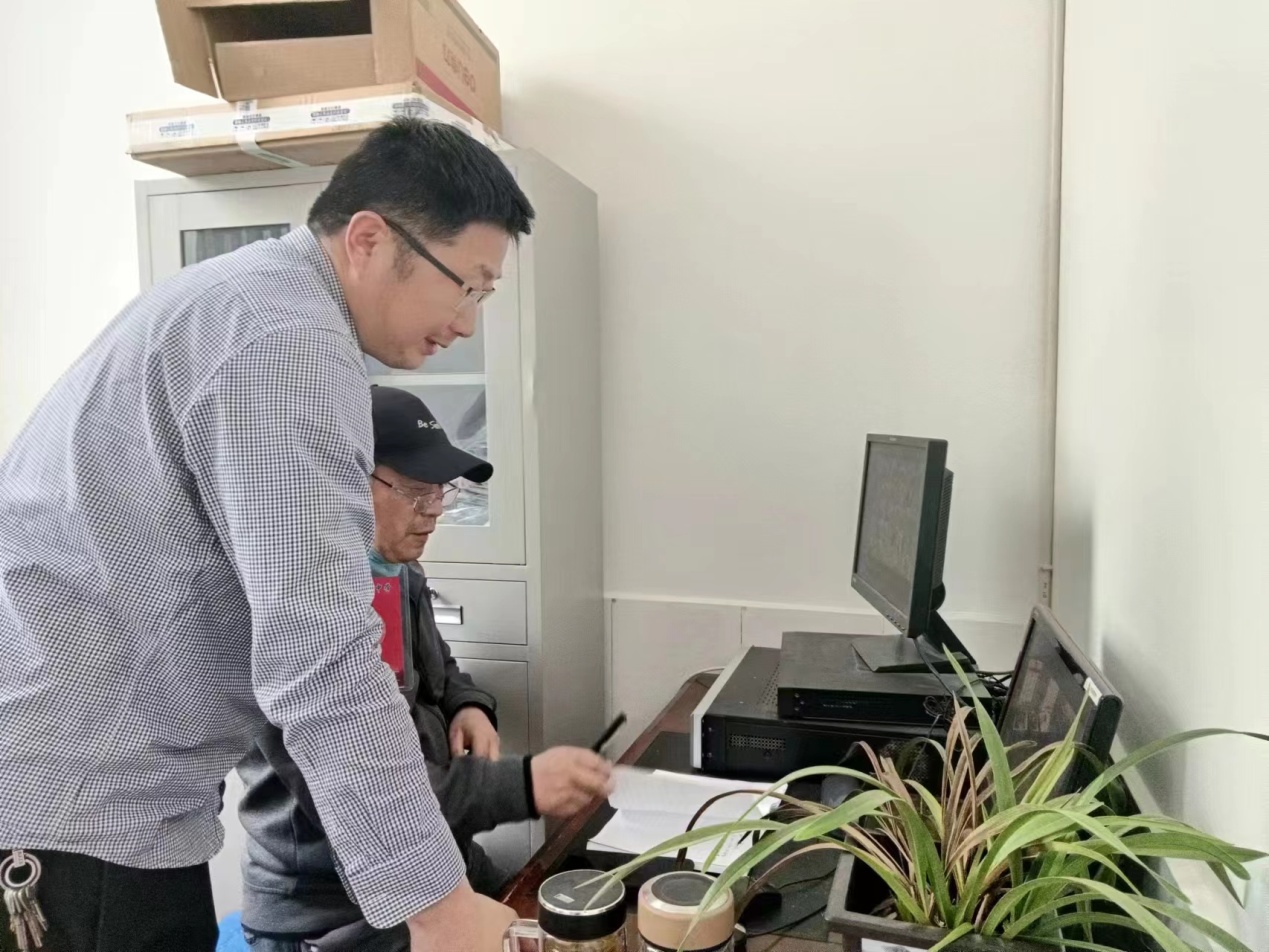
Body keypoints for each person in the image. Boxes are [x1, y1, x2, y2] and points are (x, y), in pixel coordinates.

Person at [0, 119, 539, 951]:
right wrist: (439, 905)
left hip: (81, 790)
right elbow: (318, 651)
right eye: (465, 285)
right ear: (368, 240)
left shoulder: (243, 298)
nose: (467, 322)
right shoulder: (285, 340)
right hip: (83, 815)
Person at [237, 386, 612, 950]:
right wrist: (524, 784)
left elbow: (440, 664)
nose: (434, 509)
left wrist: (467, 705)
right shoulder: (294, 613)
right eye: (415, 490)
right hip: (339, 907)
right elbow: (370, 789)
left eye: (440, 490)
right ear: (341, 481)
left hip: (438, 857)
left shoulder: (394, 571)